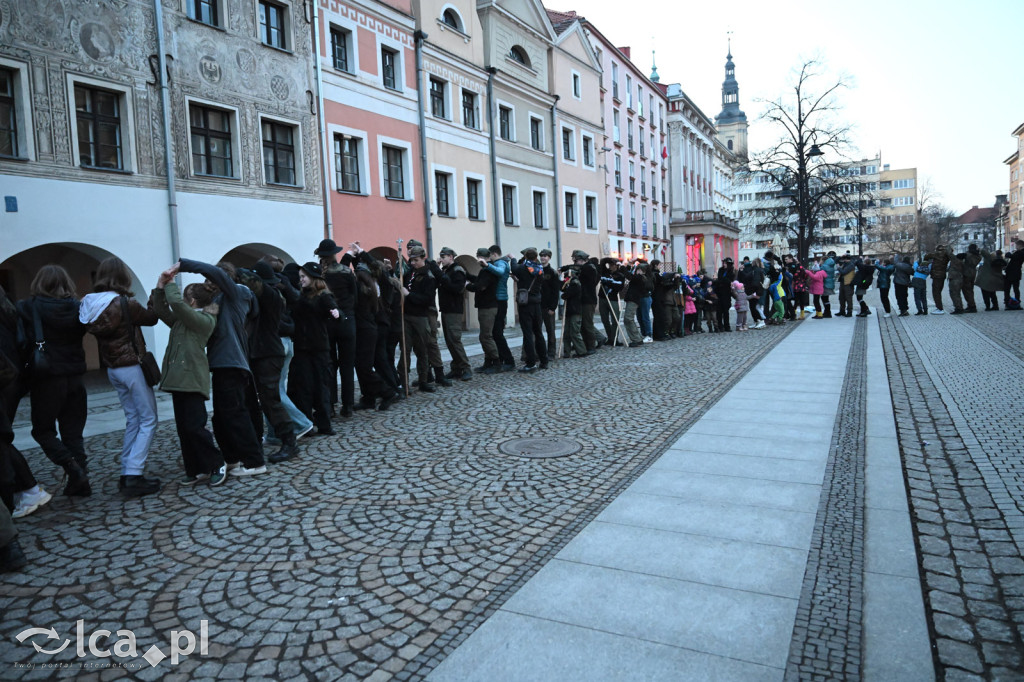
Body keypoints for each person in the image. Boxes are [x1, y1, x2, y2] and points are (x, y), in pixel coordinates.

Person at [80, 256, 161, 496]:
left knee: (134, 419)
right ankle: (133, 475)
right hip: (132, 367)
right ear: (122, 277)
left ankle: (128, 471)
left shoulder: (88, 305)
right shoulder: (125, 303)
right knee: (148, 419)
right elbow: (152, 318)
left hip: (113, 369)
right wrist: (156, 294)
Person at [179, 257, 266, 476]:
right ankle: (232, 459)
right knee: (222, 417)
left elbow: (217, 276)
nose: (210, 281)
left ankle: (254, 462)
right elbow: (207, 328)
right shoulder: (217, 301)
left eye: (213, 277)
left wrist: (184, 265)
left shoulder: (237, 293)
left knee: (235, 414)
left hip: (232, 363)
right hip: (220, 364)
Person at [16, 266, 89, 499]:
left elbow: (20, 340)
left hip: (47, 377)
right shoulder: (78, 308)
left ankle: (72, 468)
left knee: (43, 430)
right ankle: (81, 481)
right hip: (75, 376)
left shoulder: (28, 307)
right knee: (73, 432)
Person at [151, 266, 227, 485]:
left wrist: (170, 282)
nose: (182, 302)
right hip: (179, 382)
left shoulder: (203, 321)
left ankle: (215, 463)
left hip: (193, 380)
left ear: (192, 302)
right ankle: (195, 469)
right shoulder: (183, 321)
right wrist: (160, 287)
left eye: (185, 299)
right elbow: (161, 309)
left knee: (195, 427)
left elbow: (175, 304)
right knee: (184, 429)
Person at [242, 261, 298, 463]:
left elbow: (256, 284)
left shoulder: (271, 296)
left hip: (268, 353)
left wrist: (237, 272)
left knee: (271, 400)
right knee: (260, 401)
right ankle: (259, 440)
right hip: (258, 353)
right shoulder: (259, 297)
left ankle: (289, 442)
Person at [291, 262, 341, 431]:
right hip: (302, 347)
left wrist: (336, 313)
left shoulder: (323, 296)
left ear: (313, 278)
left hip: (318, 346)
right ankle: (307, 423)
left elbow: (337, 314)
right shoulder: (300, 295)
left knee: (321, 385)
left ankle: (324, 422)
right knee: (304, 385)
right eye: (300, 277)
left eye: (304, 277)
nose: (301, 280)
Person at [317, 239, 357, 417]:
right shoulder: (347, 271)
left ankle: (330, 405)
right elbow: (355, 296)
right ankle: (347, 405)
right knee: (347, 365)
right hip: (347, 319)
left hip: (327, 322)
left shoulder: (318, 274)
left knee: (329, 365)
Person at [402, 246, 438, 391]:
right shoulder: (409, 273)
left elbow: (427, 299)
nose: (413, 263)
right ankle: (403, 383)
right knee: (405, 350)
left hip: (420, 317)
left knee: (422, 350)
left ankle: (423, 380)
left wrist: (409, 295)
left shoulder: (429, 277)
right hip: (406, 316)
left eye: (416, 260)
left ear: (423, 259)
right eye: (411, 260)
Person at [433, 247, 472, 382]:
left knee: (455, 340)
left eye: (443, 257)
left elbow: (457, 289)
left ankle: (466, 368)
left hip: (454, 310)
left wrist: (442, 276)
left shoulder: (458, 271)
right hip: (446, 309)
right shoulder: (447, 270)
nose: (441, 259)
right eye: (441, 257)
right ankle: (456, 368)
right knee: (449, 341)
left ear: (450, 257)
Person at [511, 248, 548, 372]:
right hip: (537, 303)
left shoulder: (522, 268)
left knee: (527, 334)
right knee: (538, 333)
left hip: (525, 304)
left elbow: (514, 268)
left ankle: (531, 363)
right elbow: (532, 281)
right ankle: (544, 361)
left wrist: (513, 258)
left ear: (526, 256)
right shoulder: (540, 269)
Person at [466, 248, 501, 374]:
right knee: (484, 336)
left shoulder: (488, 271)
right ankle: (488, 361)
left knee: (486, 336)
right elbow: (478, 280)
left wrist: (467, 285)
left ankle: (496, 362)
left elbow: (480, 286)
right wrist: (468, 275)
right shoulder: (486, 270)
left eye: (478, 257)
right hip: (486, 306)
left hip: (488, 307)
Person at [483, 245, 515, 371]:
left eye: (490, 256)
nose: (489, 259)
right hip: (497, 300)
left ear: (494, 254)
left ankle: (509, 360)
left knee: (497, 333)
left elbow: (501, 272)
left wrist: (487, 265)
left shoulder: (501, 262)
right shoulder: (500, 262)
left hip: (500, 301)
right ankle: (500, 359)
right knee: (495, 333)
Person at [560, 266, 586, 357]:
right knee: (566, 332)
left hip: (575, 311)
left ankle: (581, 351)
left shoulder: (575, 283)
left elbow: (567, 294)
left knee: (574, 332)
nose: (565, 278)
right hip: (569, 311)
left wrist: (565, 294)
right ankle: (566, 352)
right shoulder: (569, 283)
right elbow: (562, 289)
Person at [539, 250, 561, 356]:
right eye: (541, 256)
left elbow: (555, 292)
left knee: (550, 330)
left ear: (549, 257)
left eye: (545, 256)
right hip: (538, 305)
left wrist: (553, 307)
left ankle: (551, 352)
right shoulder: (536, 270)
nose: (543, 258)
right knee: (537, 330)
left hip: (548, 306)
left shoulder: (552, 272)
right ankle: (539, 352)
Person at [598, 258, 625, 346]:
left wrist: (608, 283)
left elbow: (619, 287)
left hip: (612, 299)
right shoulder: (605, 272)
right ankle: (610, 338)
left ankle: (614, 339)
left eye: (612, 265)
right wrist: (609, 259)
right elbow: (602, 263)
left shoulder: (620, 275)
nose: (610, 266)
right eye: (609, 264)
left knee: (615, 320)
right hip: (603, 298)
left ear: (616, 266)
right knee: (604, 319)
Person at [923, 244, 950, 314]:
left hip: (936, 276)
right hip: (942, 275)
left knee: (936, 293)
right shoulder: (947, 255)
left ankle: (939, 308)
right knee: (938, 292)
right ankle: (939, 307)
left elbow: (926, 256)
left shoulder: (936, 254)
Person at [714, 258, 736, 331]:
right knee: (719, 311)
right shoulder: (721, 270)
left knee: (726, 311)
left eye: (725, 263)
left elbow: (730, 280)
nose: (724, 264)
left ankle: (727, 326)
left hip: (726, 293)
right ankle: (720, 326)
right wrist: (726, 281)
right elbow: (721, 278)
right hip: (719, 293)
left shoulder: (731, 271)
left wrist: (726, 281)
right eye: (723, 263)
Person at [1004, 239, 1024, 306]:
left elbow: (1013, 257)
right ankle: (1012, 301)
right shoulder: (1019, 252)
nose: (1016, 246)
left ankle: (1013, 302)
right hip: (1014, 273)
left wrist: (1009, 254)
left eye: (1016, 245)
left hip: (1013, 273)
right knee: (1014, 288)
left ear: (1020, 245)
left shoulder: (1021, 252)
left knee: (1010, 288)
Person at [961, 244, 981, 313]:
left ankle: (972, 306)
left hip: (967, 273)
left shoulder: (969, 255)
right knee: (970, 290)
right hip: (973, 273)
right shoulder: (978, 255)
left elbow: (968, 262)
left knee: (967, 290)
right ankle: (970, 305)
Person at [821, 252, 837, 318]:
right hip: (830, 283)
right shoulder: (831, 265)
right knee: (826, 298)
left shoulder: (824, 266)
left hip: (826, 283)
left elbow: (820, 273)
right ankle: (827, 311)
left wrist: (819, 265)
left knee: (824, 298)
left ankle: (827, 312)